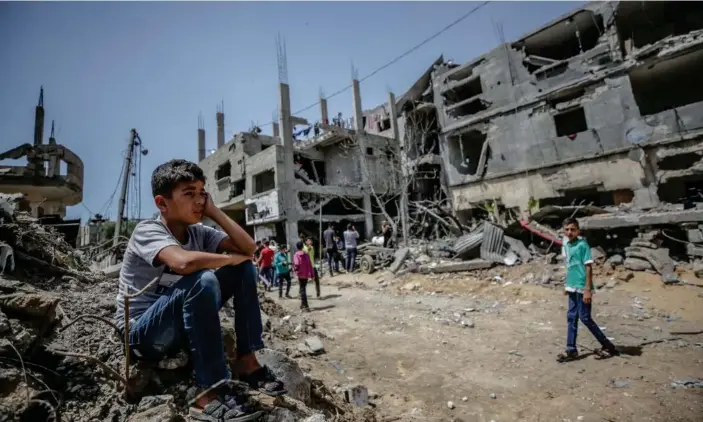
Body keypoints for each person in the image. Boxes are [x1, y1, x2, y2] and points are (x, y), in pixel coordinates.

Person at [115, 159, 285, 422]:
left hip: (179, 326)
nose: (199, 201)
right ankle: (209, 393)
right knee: (203, 279)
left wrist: (214, 211)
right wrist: (228, 259)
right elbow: (183, 263)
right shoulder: (147, 230)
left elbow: (248, 249)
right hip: (142, 335)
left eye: (202, 194)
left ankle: (247, 361)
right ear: (162, 203)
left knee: (245, 270)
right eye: (189, 194)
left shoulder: (199, 232)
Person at [557, 218, 619, 363]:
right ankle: (571, 349)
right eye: (566, 229)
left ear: (578, 230)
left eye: (572, 229)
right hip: (572, 286)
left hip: (582, 287)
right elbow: (571, 266)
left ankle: (608, 346)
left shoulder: (582, 245)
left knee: (585, 318)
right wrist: (567, 285)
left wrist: (587, 290)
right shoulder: (567, 245)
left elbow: (588, 267)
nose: (569, 232)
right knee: (572, 317)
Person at [293, 241, 313, 312]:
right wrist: (312, 274)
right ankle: (302, 305)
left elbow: (297, 264)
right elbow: (310, 265)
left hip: (300, 274)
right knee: (303, 288)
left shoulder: (296, 255)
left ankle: (306, 306)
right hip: (306, 274)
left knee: (302, 290)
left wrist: (294, 269)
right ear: (302, 246)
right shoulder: (306, 254)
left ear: (297, 247)